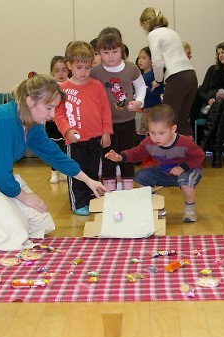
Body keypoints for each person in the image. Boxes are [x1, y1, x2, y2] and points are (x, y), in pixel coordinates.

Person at [0, 73, 108, 250]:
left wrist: (89, 180)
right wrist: (25, 197)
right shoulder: (4, 121)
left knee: (41, 226)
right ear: (30, 101)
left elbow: (55, 156)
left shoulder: (32, 124)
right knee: (12, 237)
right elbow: (1, 175)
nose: (53, 115)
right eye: (49, 108)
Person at [105, 104, 205, 223]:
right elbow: (136, 153)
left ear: (173, 129)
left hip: (189, 170)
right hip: (166, 172)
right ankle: (156, 207)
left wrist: (183, 167)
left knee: (185, 181)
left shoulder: (185, 142)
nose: (156, 137)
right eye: (152, 132)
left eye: (161, 133)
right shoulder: (149, 142)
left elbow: (200, 156)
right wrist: (120, 157)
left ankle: (190, 207)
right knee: (142, 175)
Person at [54, 41, 113, 216]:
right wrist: (67, 131)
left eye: (87, 67)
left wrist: (106, 131)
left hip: (95, 138)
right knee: (76, 171)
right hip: (75, 140)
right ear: (69, 65)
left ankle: (92, 199)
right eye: (79, 67)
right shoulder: (63, 89)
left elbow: (105, 110)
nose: (84, 72)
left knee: (93, 171)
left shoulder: (96, 86)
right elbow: (59, 114)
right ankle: (78, 203)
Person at [90, 27, 146, 191]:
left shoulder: (131, 68)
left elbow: (141, 87)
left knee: (127, 156)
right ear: (99, 52)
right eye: (106, 53)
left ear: (121, 49)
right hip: (106, 126)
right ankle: (110, 192)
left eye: (114, 51)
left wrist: (138, 102)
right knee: (107, 157)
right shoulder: (95, 72)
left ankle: (128, 191)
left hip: (127, 121)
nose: (111, 56)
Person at [139, 7, 198, 137]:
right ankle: (193, 155)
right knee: (182, 121)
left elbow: (157, 61)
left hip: (177, 78)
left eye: (142, 26)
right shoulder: (172, 32)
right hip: (191, 76)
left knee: (167, 121)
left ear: (145, 22)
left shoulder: (153, 34)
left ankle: (169, 156)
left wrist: (158, 80)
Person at [47, 56, 69, 183]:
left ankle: (64, 171)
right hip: (52, 124)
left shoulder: (70, 86)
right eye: (57, 70)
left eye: (64, 70)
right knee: (54, 148)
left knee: (66, 148)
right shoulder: (50, 87)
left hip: (66, 123)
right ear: (51, 72)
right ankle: (54, 172)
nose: (61, 74)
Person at [136, 46, 163, 142]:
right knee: (141, 134)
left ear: (152, 60)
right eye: (139, 58)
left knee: (150, 133)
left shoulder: (155, 75)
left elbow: (156, 90)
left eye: (144, 58)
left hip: (152, 109)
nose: (140, 61)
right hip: (144, 109)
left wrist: (142, 91)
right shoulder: (142, 76)